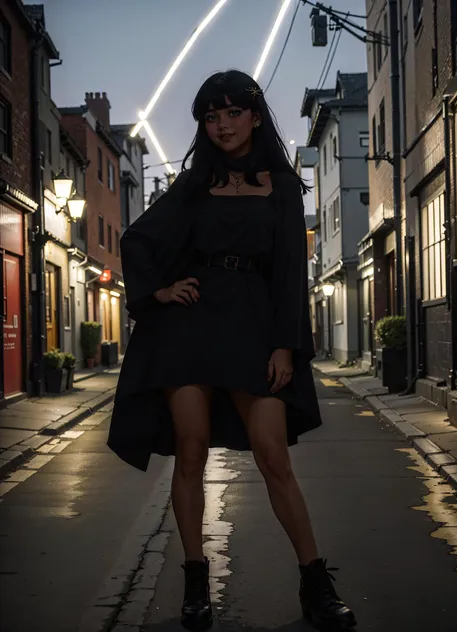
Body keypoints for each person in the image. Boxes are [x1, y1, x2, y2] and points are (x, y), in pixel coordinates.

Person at [107, 69, 356, 631]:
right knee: (191, 449)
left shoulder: (283, 186)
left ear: (255, 116)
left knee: (273, 455)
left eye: (231, 113)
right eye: (210, 117)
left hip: (254, 326)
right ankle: (196, 583)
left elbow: (291, 273)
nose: (221, 126)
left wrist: (285, 345)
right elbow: (137, 238)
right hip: (190, 328)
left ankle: (316, 584)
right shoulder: (194, 186)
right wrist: (159, 292)